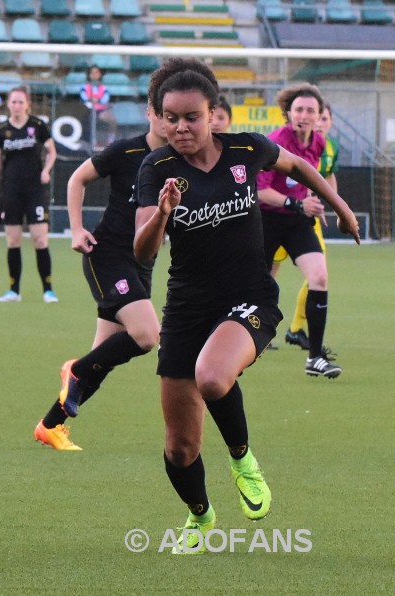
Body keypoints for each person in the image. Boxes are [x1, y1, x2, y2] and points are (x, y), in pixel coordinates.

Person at [134, 58, 359, 553]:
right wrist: (163, 215)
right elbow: (143, 251)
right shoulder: (157, 168)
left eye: (191, 116)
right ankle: (201, 517)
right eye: (169, 117)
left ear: (213, 114)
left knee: (212, 376)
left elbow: (298, 166)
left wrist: (340, 209)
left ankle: (242, 459)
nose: (180, 126)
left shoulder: (246, 148)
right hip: (187, 308)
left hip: (249, 298)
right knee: (180, 446)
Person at [34, 104, 167, 451]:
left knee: (102, 359)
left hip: (142, 263)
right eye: (166, 113)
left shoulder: (181, 160)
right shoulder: (127, 150)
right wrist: (76, 230)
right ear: (151, 112)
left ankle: (50, 426)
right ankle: (74, 368)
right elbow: (78, 178)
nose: (173, 123)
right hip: (107, 255)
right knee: (147, 335)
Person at [257, 85, 342, 378]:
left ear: (319, 116)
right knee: (256, 286)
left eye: (310, 110)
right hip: (267, 221)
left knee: (319, 276)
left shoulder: (318, 143)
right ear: (288, 113)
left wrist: (332, 207)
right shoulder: (274, 143)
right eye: (299, 110)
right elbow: (260, 191)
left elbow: (317, 179)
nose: (304, 115)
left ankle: (315, 358)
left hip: (296, 222)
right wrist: (298, 203)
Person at [274, 102, 339, 351]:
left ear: (329, 121)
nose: (318, 121)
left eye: (322, 117)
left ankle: (298, 330)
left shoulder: (328, 147)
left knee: (319, 275)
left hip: (306, 218)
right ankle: (255, 326)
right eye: (312, 114)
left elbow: (328, 177)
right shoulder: (283, 141)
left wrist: (335, 204)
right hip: (277, 215)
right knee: (266, 275)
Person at [0, 86, 59, 303]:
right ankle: (14, 290)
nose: (17, 105)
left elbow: (52, 152)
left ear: (27, 104)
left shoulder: (37, 126)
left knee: (39, 239)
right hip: (10, 191)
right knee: (13, 240)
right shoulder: (1, 131)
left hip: (35, 191)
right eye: (13, 102)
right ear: (8, 104)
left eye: (21, 102)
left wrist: (46, 171)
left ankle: (48, 290)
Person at [80, 65, 117, 150]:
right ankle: (93, 141)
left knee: (112, 119)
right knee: (90, 119)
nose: (94, 75)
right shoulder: (85, 87)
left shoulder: (103, 87)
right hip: (89, 109)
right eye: (92, 73)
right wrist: (90, 99)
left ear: (100, 74)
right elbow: (83, 97)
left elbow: (105, 98)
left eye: (96, 72)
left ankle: (110, 141)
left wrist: (98, 100)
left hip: (100, 109)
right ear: (89, 75)